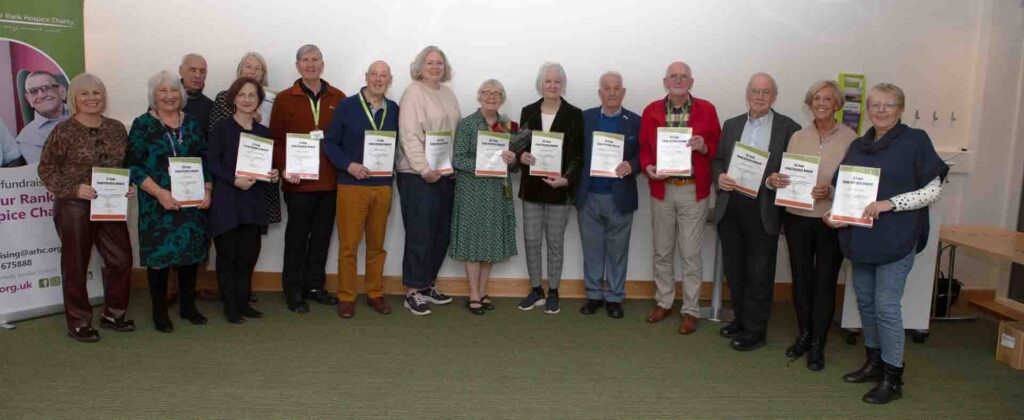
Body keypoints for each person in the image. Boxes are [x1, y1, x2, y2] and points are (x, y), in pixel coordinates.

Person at [825, 83, 948, 404]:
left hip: (897, 237)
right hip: (861, 237)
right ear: (867, 109)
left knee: (886, 307)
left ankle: (893, 377)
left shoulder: (915, 141)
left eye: (888, 105)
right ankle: (875, 362)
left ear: (901, 108)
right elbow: (844, 189)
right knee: (865, 303)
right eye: (875, 105)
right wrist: (834, 215)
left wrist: (889, 203)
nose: (881, 110)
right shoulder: (859, 145)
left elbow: (932, 191)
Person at [765, 80, 856, 370]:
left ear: (837, 104)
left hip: (831, 220)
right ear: (809, 103)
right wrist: (778, 180)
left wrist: (830, 191)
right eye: (816, 98)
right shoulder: (798, 136)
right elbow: (787, 173)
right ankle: (804, 334)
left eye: (827, 99)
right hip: (797, 217)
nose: (821, 103)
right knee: (801, 280)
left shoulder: (851, 139)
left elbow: (855, 183)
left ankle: (819, 343)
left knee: (825, 282)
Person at [37, 73, 134, 342]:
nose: (92, 98)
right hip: (73, 207)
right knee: (75, 265)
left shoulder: (116, 128)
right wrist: (74, 188)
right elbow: (45, 169)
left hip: (110, 205)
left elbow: (123, 164)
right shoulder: (63, 130)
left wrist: (128, 184)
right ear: (74, 99)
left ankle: (114, 314)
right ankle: (79, 321)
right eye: (85, 93)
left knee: (121, 258)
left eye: (97, 92)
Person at [712, 72, 800, 351]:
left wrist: (777, 179)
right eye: (755, 91)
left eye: (766, 92)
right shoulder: (732, 124)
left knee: (759, 271)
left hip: (764, 207)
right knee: (734, 268)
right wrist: (720, 176)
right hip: (731, 205)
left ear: (774, 96)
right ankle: (741, 318)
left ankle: (755, 330)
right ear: (747, 94)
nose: (760, 97)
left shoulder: (789, 128)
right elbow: (717, 160)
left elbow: (795, 171)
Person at [638, 61, 721, 333]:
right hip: (662, 188)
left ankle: (691, 310)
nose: (678, 80)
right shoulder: (651, 110)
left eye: (683, 77)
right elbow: (644, 148)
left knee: (690, 253)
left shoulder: (706, 110)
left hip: (692, 190)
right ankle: (664, 301)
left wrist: (705, 146)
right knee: (662, 250)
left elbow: (718, 149)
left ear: (691, 82)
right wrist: (648, 167)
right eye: (673, 76)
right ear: (665, 81)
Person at [126, 70, 212, 332]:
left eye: (174, 90)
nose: (169, 95)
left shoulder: (193, 123)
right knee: (159, 259)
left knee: (189, 255)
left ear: (182, 94)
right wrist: (159, 193)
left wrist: (207, 190)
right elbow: (133, 165)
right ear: (154, 95)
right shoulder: (142, 124)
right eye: (163, 91)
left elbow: (205, 159)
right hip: (157, 203)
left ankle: (188, 307)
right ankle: (159, 311)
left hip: (191, 202)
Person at [270, 44, 345, 313]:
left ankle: (315, 286)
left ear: (322, 64)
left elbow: (344, 141)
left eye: (315, 60)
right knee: (297, 238)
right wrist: (284, 168)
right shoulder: (284, 98)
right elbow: (276, 141)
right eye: (305, 60)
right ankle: (293, 289)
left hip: (329, 182)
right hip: (298, 183)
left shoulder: (339, 97)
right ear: (298, 65)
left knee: (322, 237)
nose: (311, 65)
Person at [324, 61, 400, 318]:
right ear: (366, 77)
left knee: (377, 245)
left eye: (384, 76)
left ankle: (375, 292)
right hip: (352, 185)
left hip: (382, 187)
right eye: (374, 75)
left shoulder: (394, 110)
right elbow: (330, 143)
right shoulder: (347, 106)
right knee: (349, 245)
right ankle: (346, 295)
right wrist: (349, 165)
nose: (378, 79)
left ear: (389, 80)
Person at [203, 51, 280, 302]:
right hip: (228, 198)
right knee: (227, 256)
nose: (247, 99)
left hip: (254, 200)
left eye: (252, 95)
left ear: (259, 100)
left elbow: (268, 166)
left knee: (249, 254)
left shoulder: (264, 132)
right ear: (233, 98)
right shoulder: (222, 128)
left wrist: (274, 174)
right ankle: (231, 305)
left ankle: (244, 299)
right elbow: (212, 162)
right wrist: (233, 179)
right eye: (242, 95)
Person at [396, 45, 460, 316]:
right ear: (420, 67)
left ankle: (427, 284)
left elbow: (453, 133)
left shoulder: (448, 93)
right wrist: (423, 168)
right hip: (416, 174)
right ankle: (412, 290)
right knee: (420, 232)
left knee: (441, 232)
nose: (435, 67)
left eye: (440, 63)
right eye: (430, 63)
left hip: (444, 172)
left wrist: (450, 166)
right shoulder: (413, 92)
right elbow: (409, 134)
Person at [515, 62, 584, 315]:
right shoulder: (528, 111)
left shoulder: (574, 114)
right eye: (548, 81)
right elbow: (519, 145)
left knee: (555, 242)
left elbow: (578, 154)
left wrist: (567, 179)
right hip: (532, 189)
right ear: (540, 84)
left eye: (557, 81)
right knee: (531, 240)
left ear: (562, 84)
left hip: (560, 189)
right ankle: (536, 289)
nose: (552, 85)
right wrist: (521, 155)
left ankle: (553, 291)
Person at [449, 79, 518, 315]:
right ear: (479, 96)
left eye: (496, 93)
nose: (491, 97)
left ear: (502, 97)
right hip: (473, 191)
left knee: (490, 242)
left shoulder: (509, 126)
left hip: (498, 191)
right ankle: (473, 294)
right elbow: (458, 159)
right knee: (472, 243)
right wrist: (484, 164)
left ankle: (482, 289)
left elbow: (515, 163)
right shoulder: (468, 124)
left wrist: (513, 160)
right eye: (487, 93)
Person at [576, 71, 641, 319]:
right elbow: (575, 152)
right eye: (607, 88)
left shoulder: (635, 120)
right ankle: (593, 295)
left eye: (616, 88)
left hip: (620, 196)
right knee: (591, 249)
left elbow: (644, 154)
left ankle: (615, 297)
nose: (612, 92)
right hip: (589, 194)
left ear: (623, 92)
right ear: (599, 92)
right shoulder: (585, 118)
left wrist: (632, 166)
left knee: (618, 250)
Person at [16, 70, 69, 163]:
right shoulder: (27, 137)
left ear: (62, 91)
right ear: (29, 99)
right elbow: (47, 174)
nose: (40, 95)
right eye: (33, 91)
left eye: (46, 88)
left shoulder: (86, 113)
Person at [180, 53, 214, 134]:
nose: (197, 75)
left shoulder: (211, 107)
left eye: (202, 71)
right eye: (193, 70)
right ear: (181, 71)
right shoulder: (167, 101)